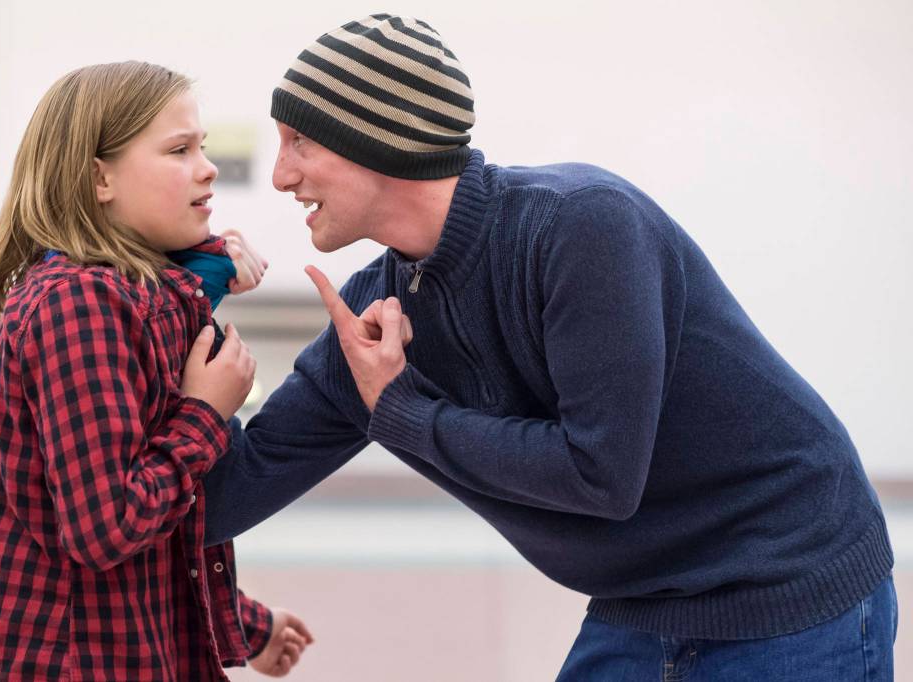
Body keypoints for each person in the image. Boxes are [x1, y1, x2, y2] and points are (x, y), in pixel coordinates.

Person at [202, 14, 900, 679]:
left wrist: (401, 410)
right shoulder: (370, 315)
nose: (281, 175)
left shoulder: (583, 227)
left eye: (300, 142)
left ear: (375, 138)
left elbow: (600, 476)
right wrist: (188, 326)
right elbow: (219, 500)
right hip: (642, 601)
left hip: (793, 587)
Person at [0, 61, 313, 681]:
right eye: (179, 150)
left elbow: (162, 543)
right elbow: (108, 528)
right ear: (99, 178)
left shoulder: (119, 299)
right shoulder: (78, 305)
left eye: (204, 146)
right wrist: (204, 413)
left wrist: (244, 626)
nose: (208, 166)